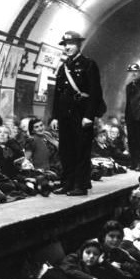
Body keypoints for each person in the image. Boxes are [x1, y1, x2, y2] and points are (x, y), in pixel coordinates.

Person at [50, 31, 103, 196]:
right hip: (65, 116)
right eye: (65, 44)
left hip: (81, 115)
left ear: (79, 45)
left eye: (71, 44)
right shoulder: (63, 67)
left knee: (81, 151)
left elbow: (95, 93)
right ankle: (67, 183)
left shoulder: (88, 64)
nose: (68, 47)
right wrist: (54, 116)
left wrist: (89, 116)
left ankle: (81, 185)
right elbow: (57, 94)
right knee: (66, 150)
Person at [60, 238, 125, 279]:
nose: (91, 256)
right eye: (88, 252)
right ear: (82, 252)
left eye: (95, 254)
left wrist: (104, 263)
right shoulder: (73, 258)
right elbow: (70, 270)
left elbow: (120, 276)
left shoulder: (97, 266)